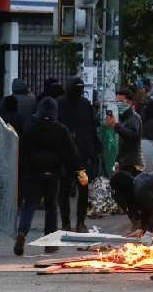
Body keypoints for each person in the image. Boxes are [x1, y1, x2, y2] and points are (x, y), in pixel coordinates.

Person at [13, 98, 85, 256]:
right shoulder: (61, 129)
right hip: (53, 174)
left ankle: (22, 232)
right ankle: (50, 244)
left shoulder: (32, 128)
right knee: (51, 207)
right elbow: (71, 152)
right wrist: (79, 170)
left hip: (33, 173)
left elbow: (21, 152)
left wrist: (22, 173)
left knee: (30, 204)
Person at [58, 77, 100, 233]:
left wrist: (94, 152)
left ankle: (77, 223)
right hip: (68, 156)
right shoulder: (61, 104)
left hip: (79, 157)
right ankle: (68, 223)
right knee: (65, 190)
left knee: (81, 190)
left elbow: (91, 129)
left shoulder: (84, 105)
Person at [106, 90, 144, 176]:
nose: (118, 104)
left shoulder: (134, 118)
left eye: (121, 101)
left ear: (130, 102)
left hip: (131, 164)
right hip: (123, 162)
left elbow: (133, 135)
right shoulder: (122, 117)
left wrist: (116, 126)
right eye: (117, 101)